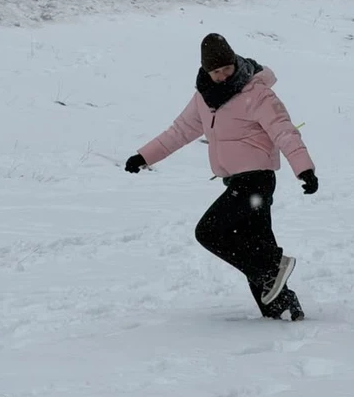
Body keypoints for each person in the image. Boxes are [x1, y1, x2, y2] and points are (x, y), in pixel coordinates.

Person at [125, 33, 318, 320]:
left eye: (227, 68)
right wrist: (144, 156)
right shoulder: (204, 98)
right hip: (236, 181)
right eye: (216, 71)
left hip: (257, 180)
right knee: (256, 247)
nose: (223, 76)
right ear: (206, 71)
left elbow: (283, 130)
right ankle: (282, 310)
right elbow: (179, 132)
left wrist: (304, 168)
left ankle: (273, 269)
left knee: (210, 232)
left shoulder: (257, 92)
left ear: (235, 62)